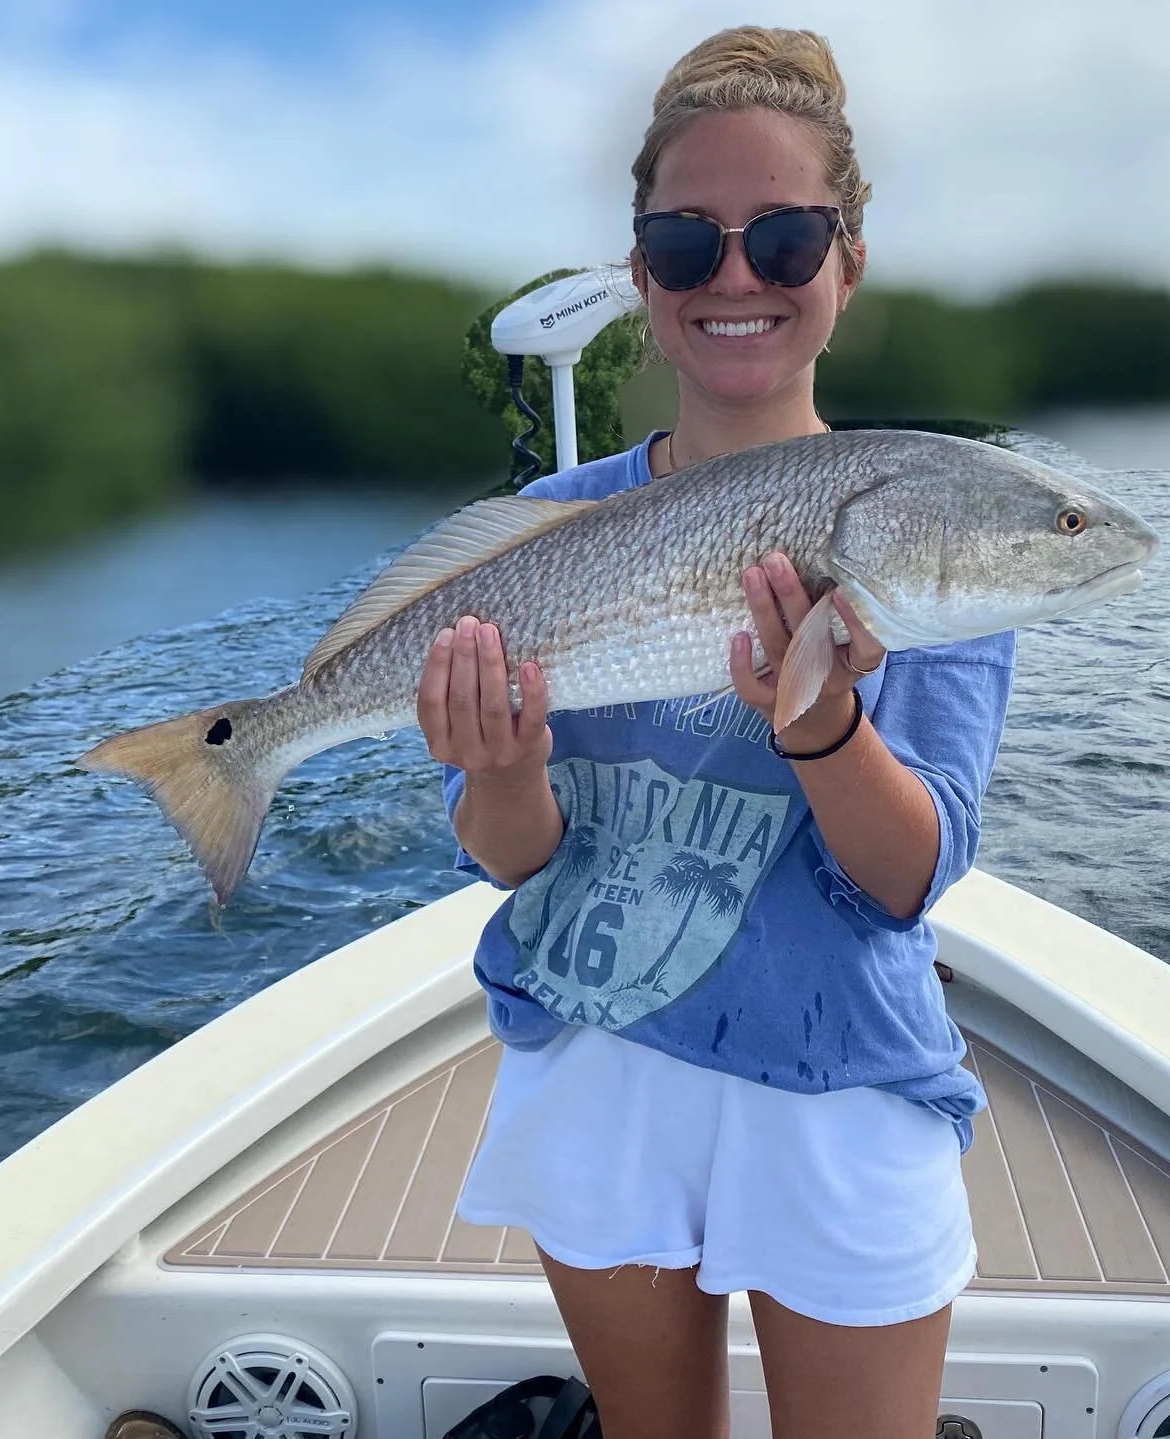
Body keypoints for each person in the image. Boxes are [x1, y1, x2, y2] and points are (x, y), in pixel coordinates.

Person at [416, 25, 1016, 1439]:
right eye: (688, 242)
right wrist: (502, 771)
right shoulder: (545, 534)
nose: (735, 276)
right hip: (597, 1054)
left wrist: (822, 728)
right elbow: (510, 856)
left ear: (848, 263)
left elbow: (907, 879)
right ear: (641, 273)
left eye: (787, 238)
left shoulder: (923, 522)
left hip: (840, 1072)